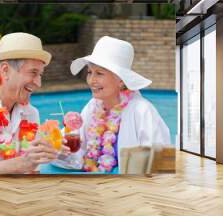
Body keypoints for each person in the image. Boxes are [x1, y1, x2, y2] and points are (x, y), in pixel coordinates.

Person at [0, 32, 69, 174]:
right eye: (33, 72)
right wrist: (22, 163)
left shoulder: (31, 113)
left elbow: (33, 172)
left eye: (40, 75)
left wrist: (47, 155)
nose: (38, 83)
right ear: (5, 71)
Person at [69, 36, 171, 173]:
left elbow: (160, 163)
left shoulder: (142, 111)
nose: (91, 80)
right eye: (89, 72)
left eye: (99, 73)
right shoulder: (92, 106)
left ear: (121, 80)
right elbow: (75, 150)